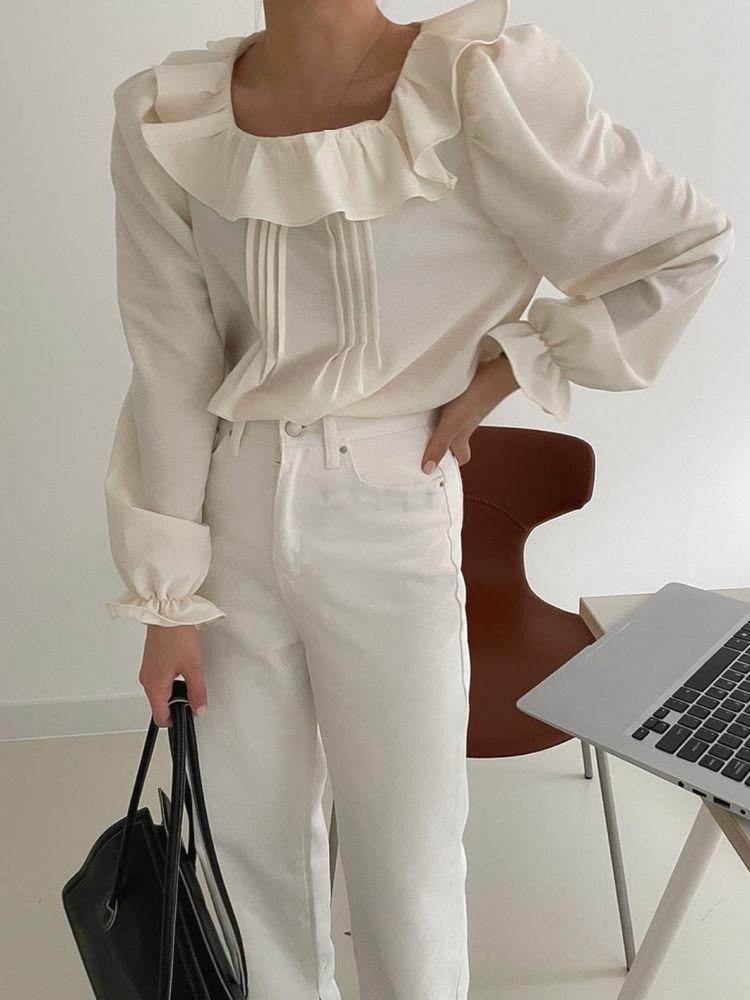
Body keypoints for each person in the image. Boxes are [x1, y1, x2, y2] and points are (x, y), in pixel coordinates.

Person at [102, 0, 734, 997]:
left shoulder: (477, 85)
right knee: (245, 850)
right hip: (230, 499)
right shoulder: (166, 115)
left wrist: (509, 368)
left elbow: (681, 246)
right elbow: (171, 361)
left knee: (409, 861)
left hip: (390, 498)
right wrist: (166, 598)